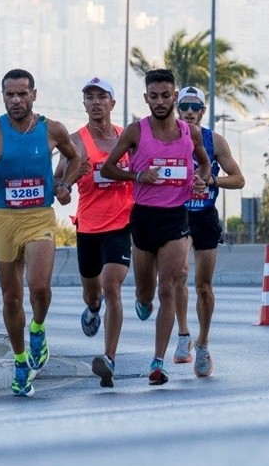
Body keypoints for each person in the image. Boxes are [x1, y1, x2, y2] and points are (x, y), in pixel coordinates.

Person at [0, 68, 81, 397]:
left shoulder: (51, 130)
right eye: (9, 95)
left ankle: (38, 329)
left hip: (40, 218)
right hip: (5, 220)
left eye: (22, 94)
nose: (16, 100)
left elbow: (77, 159)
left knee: (40, 287)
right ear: (3, 97)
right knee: (11, 298)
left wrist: (64, 185)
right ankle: (20, 362)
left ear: (34, 95)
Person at [101, 69, 210, 386]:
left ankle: (158, 363)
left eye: (166, 95)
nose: (160, 101)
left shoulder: (190, 133)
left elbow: (202, 161)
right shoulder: (136, 131)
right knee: (146, 294)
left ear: (175, 96)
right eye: (154, 96)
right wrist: (137, 176)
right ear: (146, 98)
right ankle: (142, 300)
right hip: (144, 219)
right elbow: (108, 167)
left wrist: (200, 179)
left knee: (168, 288)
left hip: (176, 218)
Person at [55, 76, 134, 388]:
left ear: (112, 103)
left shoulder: (127, 138)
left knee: (111, 285)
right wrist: (65, 187)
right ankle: (92, 307)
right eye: (90, 97)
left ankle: (109, 358)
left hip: (122, 223)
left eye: (102, 97)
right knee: (93, 291)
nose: (96, 102)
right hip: (88, 225)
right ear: (84, 104)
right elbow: (58, 182)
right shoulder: (75, 142)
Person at [171, 85, 245, 378]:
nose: (189, 112)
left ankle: (202, 343)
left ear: (203, 111)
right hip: (178, 214)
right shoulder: (168, 138)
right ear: (178, 110)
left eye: (195, 107)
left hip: (205, 216)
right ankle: (182, 335)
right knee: (178, 275)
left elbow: (239, 179)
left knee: (203, 286)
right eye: (184, 106)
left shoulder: (215, 140)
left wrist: (212, 181)